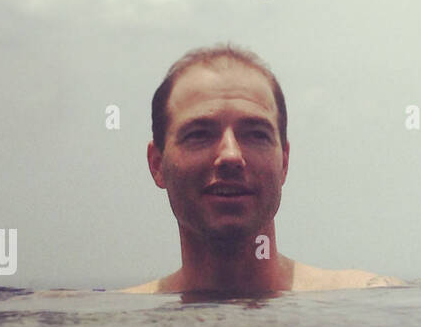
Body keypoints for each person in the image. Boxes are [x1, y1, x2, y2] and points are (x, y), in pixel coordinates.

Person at [122, 44, 403, 296]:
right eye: (199, 134)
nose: (230, 155)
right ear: (157, 164)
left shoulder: (368, 298)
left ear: (284, 161)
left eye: (256, 134)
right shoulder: (121, 322)